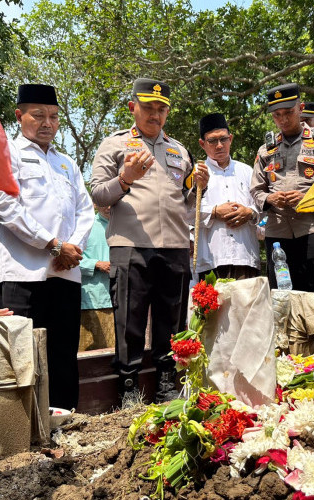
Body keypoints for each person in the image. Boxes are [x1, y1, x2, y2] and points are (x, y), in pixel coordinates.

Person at [90, 78, 209, 403]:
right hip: (130, 246)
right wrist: (125, 178)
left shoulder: (178, 150)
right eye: (148, 108)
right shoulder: (114, 145)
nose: (155, 115)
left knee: (170, 320)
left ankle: (167, 382)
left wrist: (198, 185)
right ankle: (128, 387)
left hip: (173, 246)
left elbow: (184, 199)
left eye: (161, 109)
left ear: (167, 112)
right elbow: (98, 192)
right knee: (130, 318)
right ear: (133, 108)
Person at [0, 84, 94, 410]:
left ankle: (65, 425)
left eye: (53, 116)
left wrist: (72, 248)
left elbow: (85, 210)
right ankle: (22, 432)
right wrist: (52, 245)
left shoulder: (67, 163)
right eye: (39, 115)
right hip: (23, 274)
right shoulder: (6, 155)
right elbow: (7, 208)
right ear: (19, 116)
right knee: (21, 357)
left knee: (63, 354)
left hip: (65, 273)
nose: (47, 123)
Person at [250, 83, 314, 348]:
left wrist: (308, 197)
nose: (282, 119)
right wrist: (270, 198)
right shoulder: (264, 150)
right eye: (276, 114)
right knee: (284, 296)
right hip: (279, 233)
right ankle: (291, 354)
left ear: (300, 109)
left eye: (288, 112)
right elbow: (256, 191)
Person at [195, 113, 260, 281]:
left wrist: (250, 212)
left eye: (223, 139)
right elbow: (185, 212)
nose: (219, 146)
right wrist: (215, 211)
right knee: (213, 307)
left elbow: (263, 209)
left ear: (230, 139)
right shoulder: (196, 174)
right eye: (212, 141)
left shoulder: (247, 172)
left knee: (247, 307)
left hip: (245, 258)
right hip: (211, 261)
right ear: (202, 144)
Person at [79, 205, 115, 351]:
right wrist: (96, 264)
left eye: (112, 202)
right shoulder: (85, 227)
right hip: (92, 299)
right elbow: (67, 259)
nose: (108, 207)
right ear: (94, 204)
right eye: (103, 202)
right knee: (89, 352)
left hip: (121, 299)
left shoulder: (126, 227)